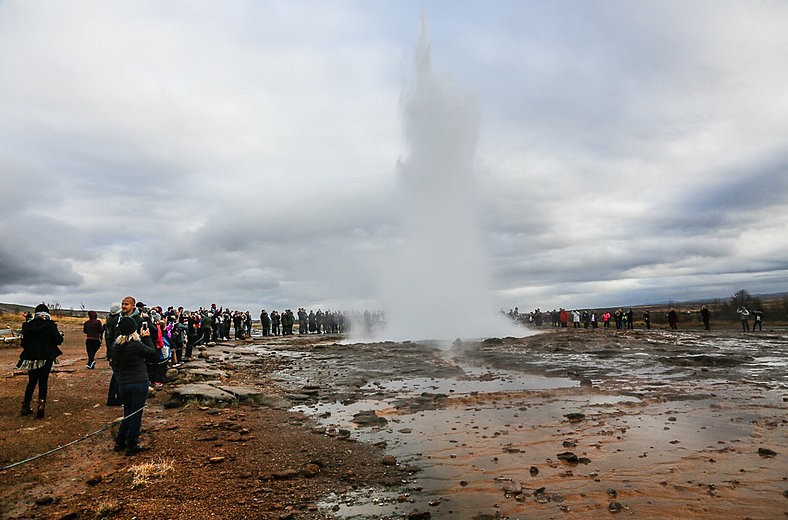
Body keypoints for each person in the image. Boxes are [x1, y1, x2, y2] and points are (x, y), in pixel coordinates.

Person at [110, 316, 157, 456]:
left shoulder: (116, 345)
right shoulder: (136, 344)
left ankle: (120, 442)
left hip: (123, 384)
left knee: (128, 413)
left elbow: (114, 365)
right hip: (138, 382)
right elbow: (152, 352)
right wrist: (147, 337)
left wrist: (120, 380)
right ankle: (132, 445)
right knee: (136, 414)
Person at [18, 304, 64, 418]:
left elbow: (23, 343)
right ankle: (41, 406)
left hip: (30, 358)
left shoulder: (28, 326)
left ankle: (26, 406)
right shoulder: (50, 325)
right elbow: (58, 340)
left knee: (32, 381)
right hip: (46, 357)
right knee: (43, 382)